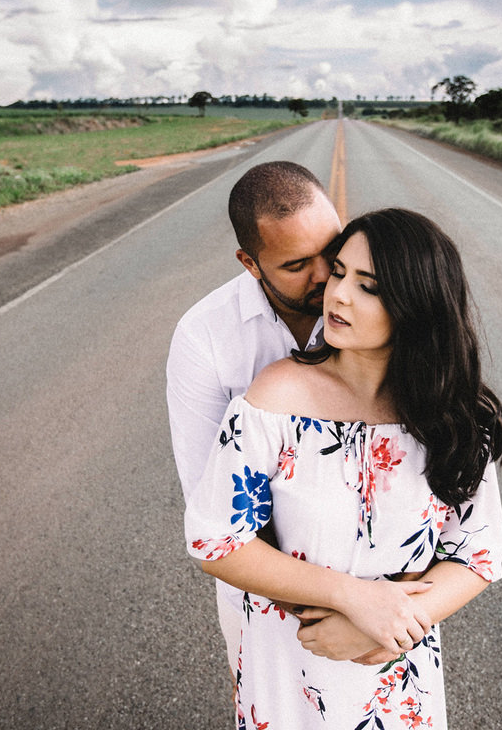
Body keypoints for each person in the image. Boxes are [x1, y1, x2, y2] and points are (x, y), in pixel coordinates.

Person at [185, 208, 502, 728]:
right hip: (291, 670)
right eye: (339, 273)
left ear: (417, 303)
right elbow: (215, 541)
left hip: (397, 670)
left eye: (369, 286)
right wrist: (355, 598)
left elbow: (479, 552)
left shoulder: (455, 415)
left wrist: (397, 622)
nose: (337, 296)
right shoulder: (276, 398)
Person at [167, 160, 343, 672]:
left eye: (330, 251)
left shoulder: (381, 308)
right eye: (295, 265)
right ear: (250, 262)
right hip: (266, 588)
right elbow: (213, 502)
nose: (325, 276)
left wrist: (375, 605)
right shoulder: (204, 336)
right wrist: (324, 606)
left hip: (379, 585)